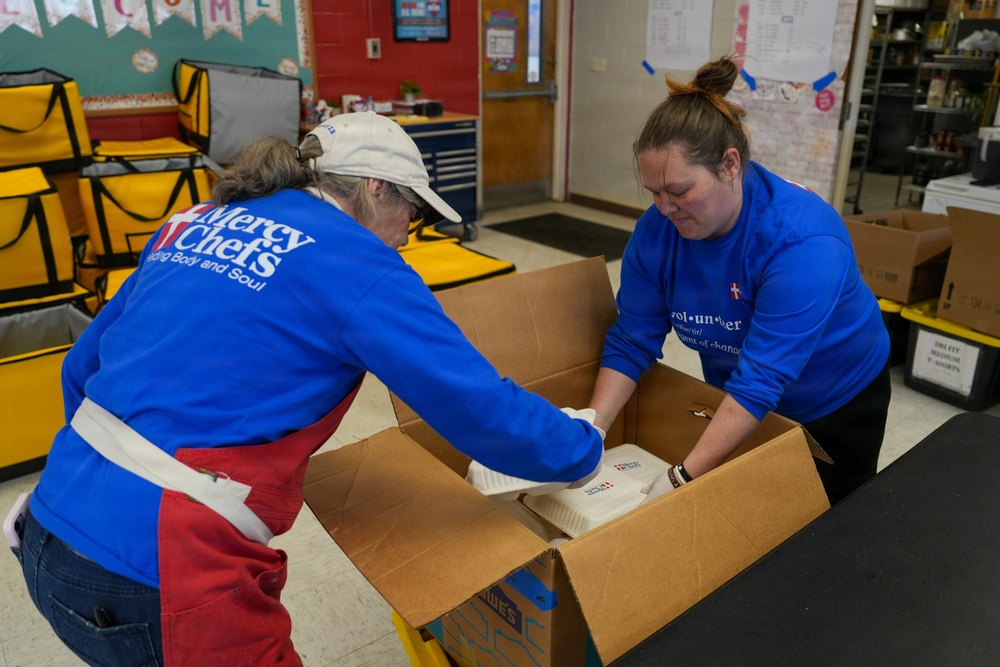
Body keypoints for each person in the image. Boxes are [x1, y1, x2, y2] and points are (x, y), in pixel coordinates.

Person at [9, 111, 604, 667]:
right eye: (412, 216)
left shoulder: (193, 222)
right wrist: (579, 447)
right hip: (161, 566)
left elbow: (80, 367)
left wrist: (103, 480)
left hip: (47, 527)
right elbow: (477, 405)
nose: (406, 236)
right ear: (376, 188)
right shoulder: (356, 262)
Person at [586, 56, 890, 506]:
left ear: (730, 165)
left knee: (831, 526)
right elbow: (632, 340)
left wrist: (682, 477)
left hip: (835, 399)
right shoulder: (658, 232)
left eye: (679, 191)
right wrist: (592, 429)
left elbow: (760, 380)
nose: (665, 209)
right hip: (739, 396)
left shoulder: (801, 241)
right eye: (654, 193)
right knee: (750, 517)